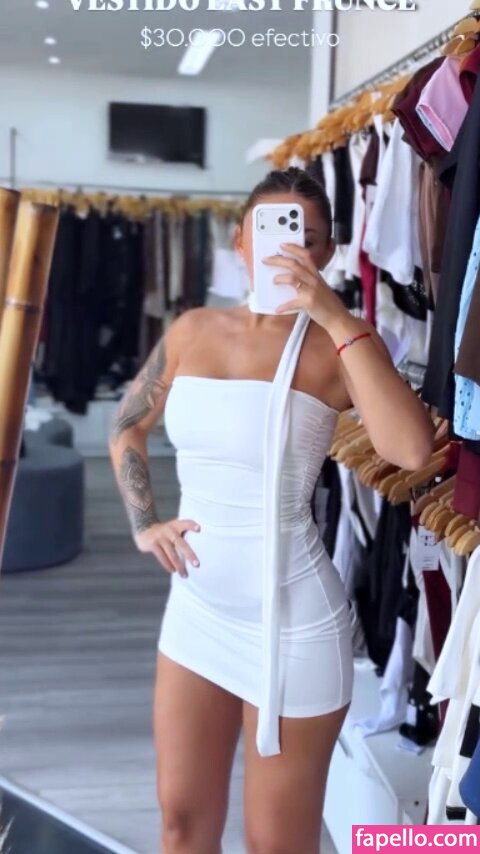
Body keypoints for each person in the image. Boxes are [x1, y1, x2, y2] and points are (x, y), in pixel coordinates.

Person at [108, 167, 434, 854]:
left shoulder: (339, 345)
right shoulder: (193, 329)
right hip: (196, 610)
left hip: (293, 623)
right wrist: (145, 523)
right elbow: (127, 426)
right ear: (240, 241)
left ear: (327, 251)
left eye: (306, 237)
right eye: (271, 231)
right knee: (179, 823)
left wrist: (336, 315)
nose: (287, 248)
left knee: (275, 844)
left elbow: (409, 450)